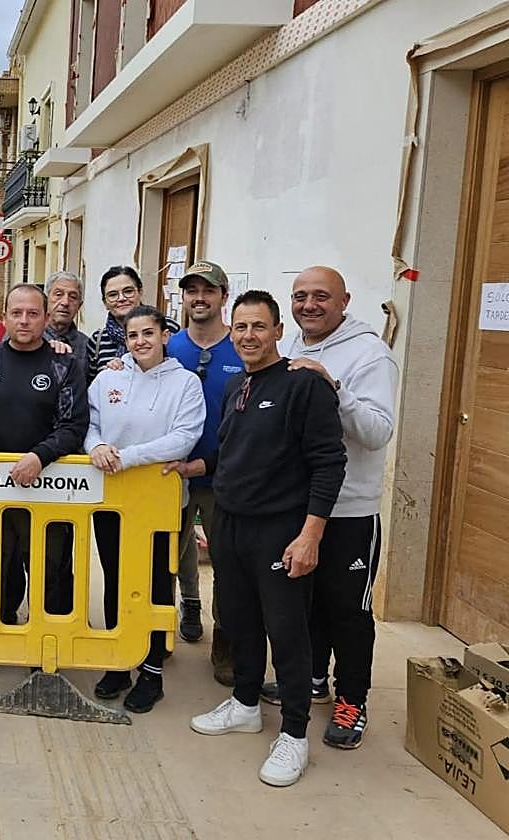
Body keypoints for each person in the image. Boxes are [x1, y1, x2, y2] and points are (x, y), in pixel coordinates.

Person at [189, 290, 346, 788]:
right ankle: (245, 703)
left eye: (259, 326)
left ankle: (295, 734)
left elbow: (329, 464)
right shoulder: (238, 385)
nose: (248, 336)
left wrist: (310, 535)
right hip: (231, 525)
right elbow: (233, 453)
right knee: (239, 621)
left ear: (279, 331)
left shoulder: (304, 386)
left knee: (287, 631)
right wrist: (195, 467)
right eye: (240, 327)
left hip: (281, 531)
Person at [257, 266, 398, 751]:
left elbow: (378, 432)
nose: (309, 305)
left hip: (350, 510)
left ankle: (352, 700)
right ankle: (313, 677)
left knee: (348, 611)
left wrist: (335, 388)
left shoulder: (370, 354)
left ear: (344, 301)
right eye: (300, 296)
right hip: (299, 505)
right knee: (306, 601)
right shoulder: (292, 345)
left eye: (321, 296)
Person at [0, 283, 90, 686]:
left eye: (33, 314)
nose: (24, 321)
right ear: (4, 315)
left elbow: (74, 425)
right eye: (17, 313)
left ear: (46, 318)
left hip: (48, 490)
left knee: (50, 570)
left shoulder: (64, 366)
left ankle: (47, 652)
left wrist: (40, 456)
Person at [85, 305, 205, 713]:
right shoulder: (109, 378)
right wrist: (96, 447)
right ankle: (119, 661)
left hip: (159, 501)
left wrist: (128, 457)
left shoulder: (185, 383)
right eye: (133, 335)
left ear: (164, 335)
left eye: (148, 333)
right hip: (112, 500)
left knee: (154, 584)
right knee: (116, 580)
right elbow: (90, 423)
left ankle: (151, 673)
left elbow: (184, 437)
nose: (140, 342)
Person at [161, 261, 244, 683]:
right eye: (191, 290)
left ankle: (226, 648)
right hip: (170, 476)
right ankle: (157, 635)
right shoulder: (169, 346)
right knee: (163, 559)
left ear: (223, 296)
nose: (199, 298)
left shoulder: (241, 347)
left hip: (225, 478)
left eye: (208, 290)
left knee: (228, 567)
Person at [90, 265, 181, 375]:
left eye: (128, 291)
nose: (121, 298)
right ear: (105, 303)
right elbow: (91, 381)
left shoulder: (167, 326)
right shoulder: (97, 340)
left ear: (140, 292)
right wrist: (109, 377)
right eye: (113, 295)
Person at [42, 270, 92, 379]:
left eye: (73, 297)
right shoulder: (29, 336)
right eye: (58, 294)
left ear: (79, 305)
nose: (65, 302)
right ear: (46, 300)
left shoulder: (87, 345)